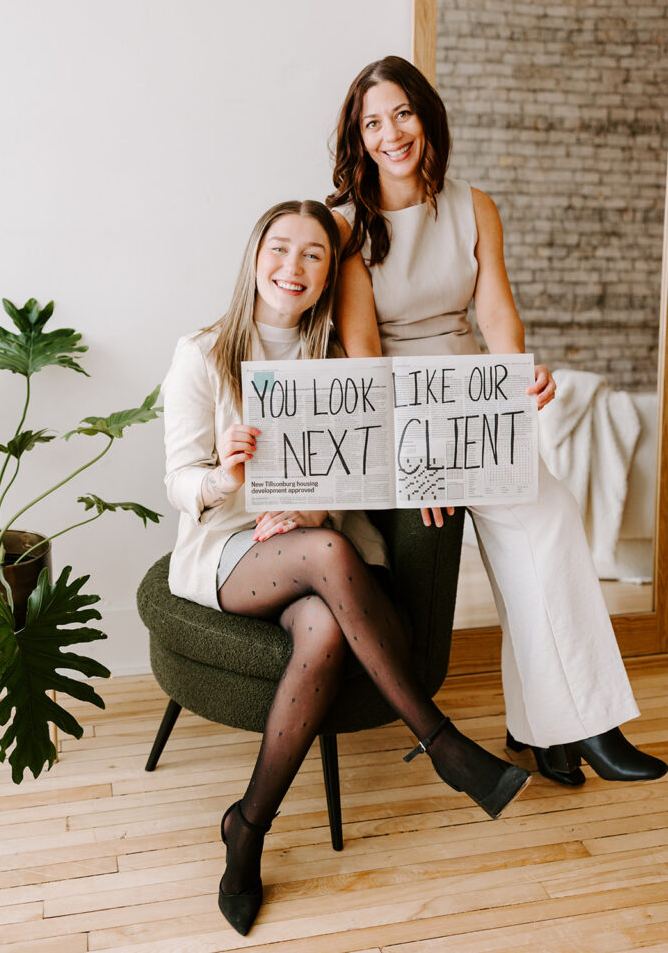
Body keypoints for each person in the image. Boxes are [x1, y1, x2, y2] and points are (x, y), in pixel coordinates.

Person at [162, 199, 530, 935]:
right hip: (231, 547)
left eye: (313, 256)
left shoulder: (334, 360)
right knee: (328, 554)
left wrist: (314, 511)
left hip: (312, 541)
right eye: (280, 249)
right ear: (253, 254)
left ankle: (248, 828)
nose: (292, 267)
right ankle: (441, 742)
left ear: (330, 273)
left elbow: (359, 468)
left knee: (324, 629)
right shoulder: (201, 353)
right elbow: (179, 480)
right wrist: (226, 478)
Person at [327, 56, 667, 790]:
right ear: (358, 136)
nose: (391, 133)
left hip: (474, 400)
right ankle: (567, 731)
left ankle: (563, 728)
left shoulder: (474, 205)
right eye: (373, 122)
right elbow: (363, 358)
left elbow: (494, 314)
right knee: (537, 535)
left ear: (427, 117)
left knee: (544, 529)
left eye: (403, 114)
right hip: (404, 412)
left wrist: (518, 375)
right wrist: (407, 461)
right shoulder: (346, 226)